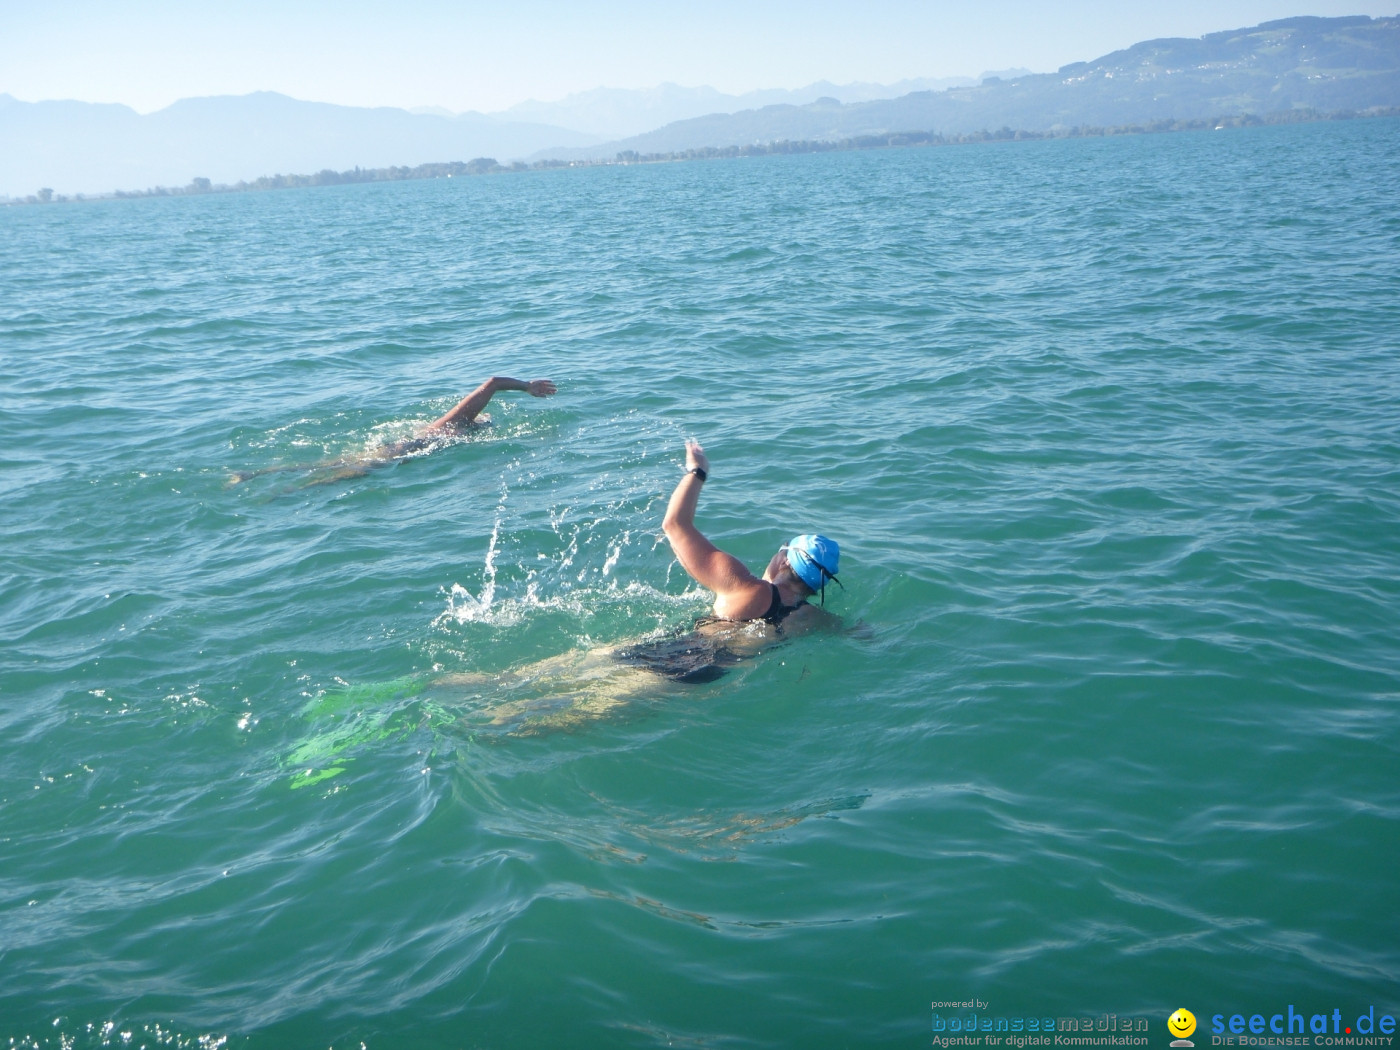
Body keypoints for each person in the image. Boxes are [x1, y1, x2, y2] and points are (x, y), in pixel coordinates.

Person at [229, 375, 556, 484]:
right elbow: (494, 382)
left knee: (336, 465)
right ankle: (281, 491)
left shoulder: (451, 425)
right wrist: (528, 386)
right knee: (344, 475)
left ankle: (253, 475)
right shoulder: (457, 422)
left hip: (402, 445)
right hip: (405, 450)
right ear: (476, 419)